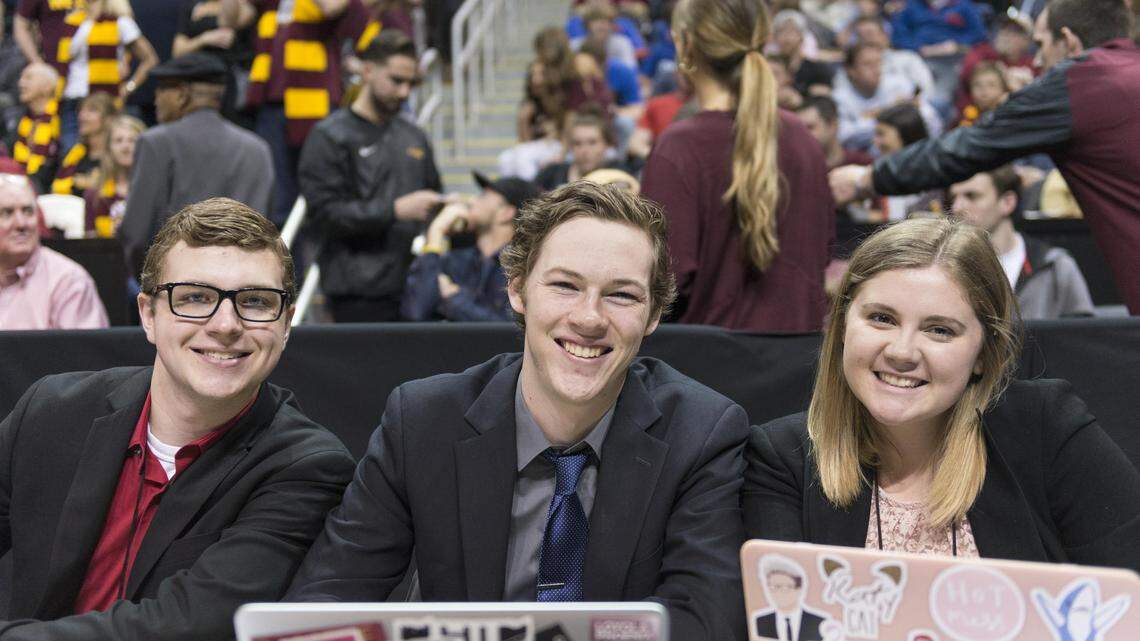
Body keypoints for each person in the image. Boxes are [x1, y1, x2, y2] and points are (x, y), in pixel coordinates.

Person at [287, 182, 749, 641]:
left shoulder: (702, 433)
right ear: (517, 291)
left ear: (652, 316)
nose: (589, 318)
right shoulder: (423, 421)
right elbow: (328, 596)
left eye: (622, 295)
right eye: (565, 286)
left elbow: (702, 620)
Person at [0, 197, 356, 639]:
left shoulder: (308, 467)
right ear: (148, 315)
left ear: (286, 324)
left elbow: (186, 625)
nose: (225, 324)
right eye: (195, 297)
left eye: (256, 302)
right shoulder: (52, 410)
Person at [744, 217, 1140, 570]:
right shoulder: (782, 459)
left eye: (940, 330)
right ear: (843, 325)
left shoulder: (1046, 429)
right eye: (881, 318)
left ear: (984, 354)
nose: (901, 352)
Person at [829, 0, 1140, 314]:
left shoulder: (1080, 80)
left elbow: (969, 146)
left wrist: (866, 179)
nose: (1039, 59)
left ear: (1069, 41)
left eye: (1041, 44)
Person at [640, 0, 834, 332]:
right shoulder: (802, 138)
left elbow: (662, 285)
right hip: (798, 365)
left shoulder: (680, 147)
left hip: (706, 369)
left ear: (685, 45)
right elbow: (822, 253)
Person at [298, 29, 443, 323]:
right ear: (367, 70)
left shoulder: (413, 136)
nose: (404, 92)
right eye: (396, 80)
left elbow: (434, 193)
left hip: (411, 284)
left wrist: (449, 209)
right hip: (355, 290)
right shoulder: (330, 136)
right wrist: (395, 210)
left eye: (410, 83)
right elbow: (325, 214)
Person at [119, 52, 273, 278]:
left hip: (177, 290)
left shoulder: (157, 143)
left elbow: (135, 235)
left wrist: (152, 287)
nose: (155, 99)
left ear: (181, 94)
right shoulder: (258, 150)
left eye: (161, 89)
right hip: (241, 289)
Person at [220, 0, 369, 225]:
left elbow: (332, 7)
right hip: (271, 104)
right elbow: (229, 20)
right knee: (276, 191)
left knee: (319, 184)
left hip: (314, 102)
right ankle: (284, 251)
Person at [949, 166, 1093, 318]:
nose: (956, 207)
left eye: (972, 196)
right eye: (953, 198)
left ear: (1007, 202)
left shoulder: (1055, 266)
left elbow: (1083, 336)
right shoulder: (948, 266)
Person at [401, 172, 541, 322]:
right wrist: (436, 231)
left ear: (505, 213)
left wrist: (454, 297)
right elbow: (415, 312)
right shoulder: (456, 259)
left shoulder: (521, 267)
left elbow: (507, 331)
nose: (472, 201)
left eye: (483, 196)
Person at [0, 172, 108, 329]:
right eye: (7, 213)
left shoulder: (69, 282)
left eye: (28, 211)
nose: (21, 223)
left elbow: (83, 352)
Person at [832, 42, 941, 150]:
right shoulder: (839, 98)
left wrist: (872, 117)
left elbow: (932, 122)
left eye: (878, 63)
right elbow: (843, 136)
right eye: (868, 64)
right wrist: (890, 112)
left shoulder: (898, 84)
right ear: (851, 70)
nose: (876, 70)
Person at [61, 0, 159, 105]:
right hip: (71, 98)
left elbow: (150, 59)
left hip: (103, 102)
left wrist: (129, 87)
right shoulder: (72, 21)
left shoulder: (120, 22)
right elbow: (62, 61)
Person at [84, 114, 144, 236]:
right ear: (108, 148)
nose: (125, 147)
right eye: (118, 140)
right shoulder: (94, 195)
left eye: (132, 140)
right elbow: (89, 243)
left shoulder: (155, 191)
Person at [535, 110, 622, 190]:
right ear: (570, 146)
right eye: (577, 143)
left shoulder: (618, 174)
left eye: (592, 142)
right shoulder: (553, 172)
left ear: (606, 144)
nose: (584, 150)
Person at [51, 92, 118, 197]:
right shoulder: (76, 153)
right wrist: (77, 182)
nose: (82, 115)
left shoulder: (116, 156)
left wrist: (87, 183)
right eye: (81, 110)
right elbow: (57, 187)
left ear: (109, 119)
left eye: (92, 110)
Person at [9, 62, 60, 194]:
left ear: (47, 87)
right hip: (18, 187)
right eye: (21, 78)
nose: (21, 83)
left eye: (28, 78)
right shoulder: (17, 119)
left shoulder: (62, 119)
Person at [752, 556, 826, 641]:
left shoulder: (819, 622)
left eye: (785, 588)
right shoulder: (761, 621)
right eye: (773, 587)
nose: (778, 593)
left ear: (799, 589)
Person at [796, 95, 872, 169]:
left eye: (810, 127)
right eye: (800, 129)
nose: (803, 134)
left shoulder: (863, 165)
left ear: (833, 125)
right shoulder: (799, 169)